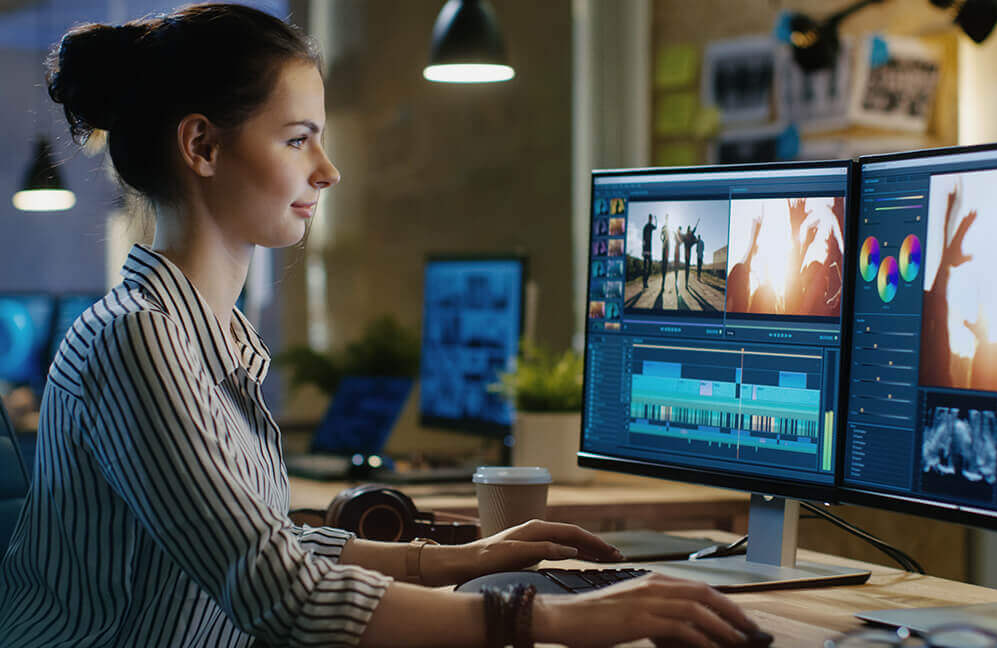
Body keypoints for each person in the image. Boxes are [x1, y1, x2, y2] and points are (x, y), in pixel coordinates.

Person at [0, 5, 758, 648]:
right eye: (299, 139)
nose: (327, 171)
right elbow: (279, 590)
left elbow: (262, 539)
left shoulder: (197, 334)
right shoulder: (137, 338)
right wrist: (556, 616)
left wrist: (454, 557)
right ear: (201, 146)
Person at [641, 213, 656, 287]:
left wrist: (656, 219)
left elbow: (655, 227)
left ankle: (645, 281)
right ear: (648, 218)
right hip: (645, 249)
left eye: (651, 218)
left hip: (649, 249)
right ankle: (644, 282)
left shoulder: (650, 226)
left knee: (649, 267)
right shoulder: (646, 227)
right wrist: (642, 250)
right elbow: (643, 239)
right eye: (650, 218)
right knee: (645, 267)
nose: (650, 219)